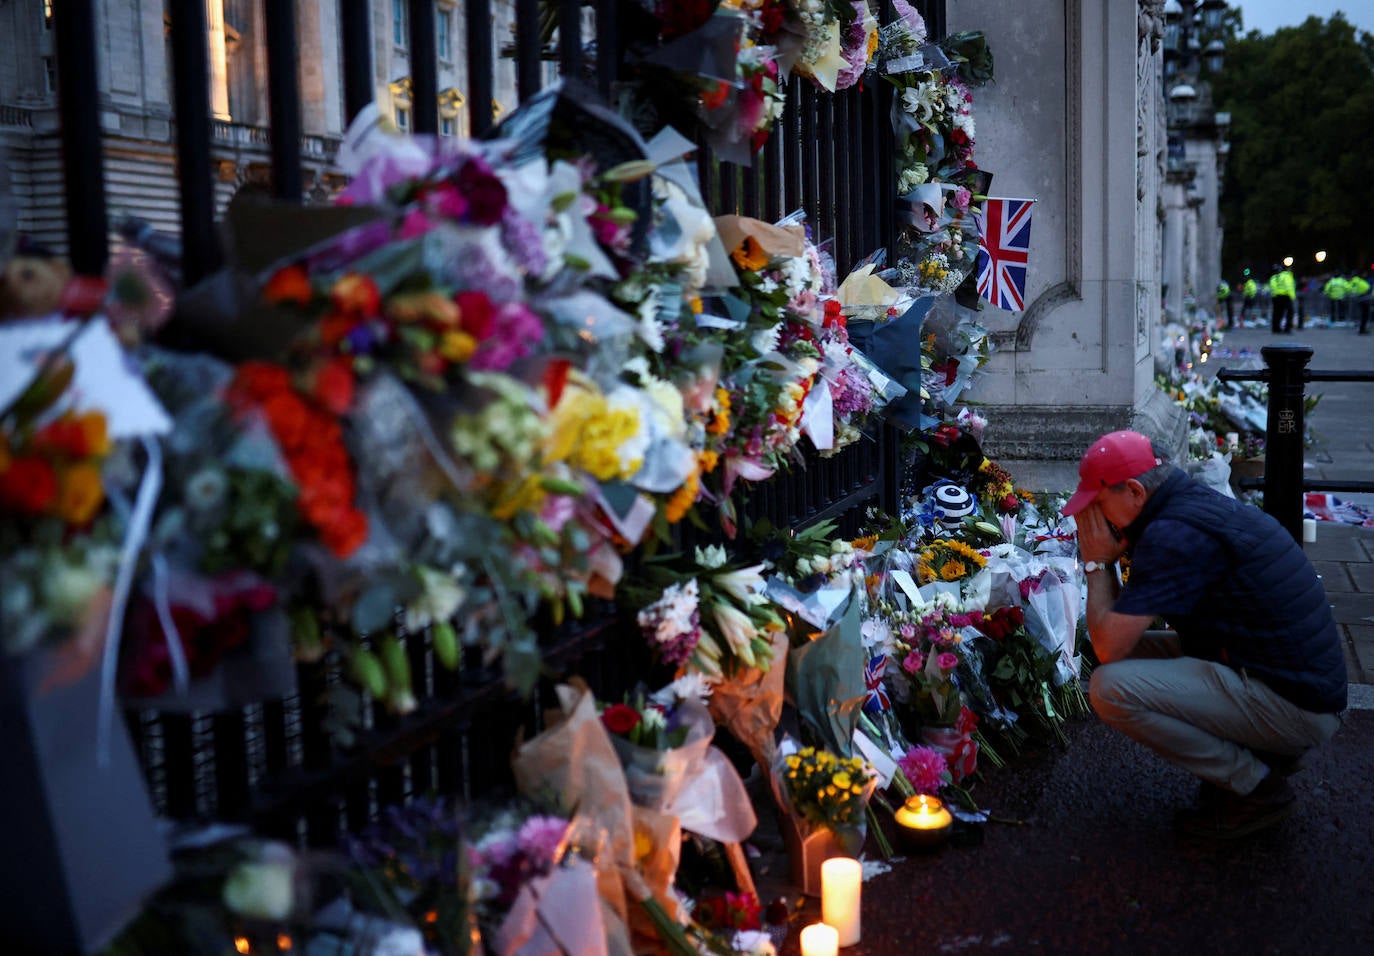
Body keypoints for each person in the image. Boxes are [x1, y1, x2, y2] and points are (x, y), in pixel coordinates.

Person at [1064, 431, 1347, 840]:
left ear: (1135, 491)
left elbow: (1108, 645)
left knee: (1109, 687)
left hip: (1297, 706)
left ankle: (1256, 786)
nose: (1092, 514)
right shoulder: (1186, 506)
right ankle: (1260, 751)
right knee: (1128, 660)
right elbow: (1122, 633)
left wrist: (1095, 563)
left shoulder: (1171, 535)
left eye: (1097, 501)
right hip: (1282, 677)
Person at [1268, 262, 1296, 334]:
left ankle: (1276, 328)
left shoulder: (1274, 277)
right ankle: (1287, 328)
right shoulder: (1287, 276)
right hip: (1286, 296)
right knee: (1290, 312)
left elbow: (1272, 287)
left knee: (1277, 313)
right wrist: (1292, 297)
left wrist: (1274, 296)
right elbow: (1289, 287)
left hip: (1276, 297)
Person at [1348, 269, 1371, 334]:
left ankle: (1361, 328)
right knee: (1364, 315)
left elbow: (1349, 288)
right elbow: (1367, 288)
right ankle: (1362, 329)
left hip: (1360, 299)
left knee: (1361, 315)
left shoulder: (1356, 281)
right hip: (1364, 299)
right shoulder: (1359, 281)